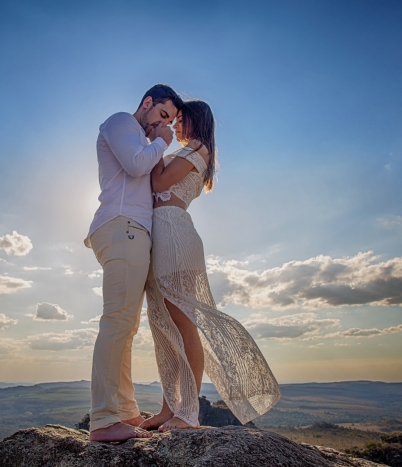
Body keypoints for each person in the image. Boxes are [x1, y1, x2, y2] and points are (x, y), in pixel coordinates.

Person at [139, 100, 281, 432]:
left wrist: (157, 144)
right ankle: (167, 408)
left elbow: (158, 184)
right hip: (161, 234)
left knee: (183, 325)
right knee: (164, 329)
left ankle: (188, 413)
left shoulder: (198, 148)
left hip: (174, 233)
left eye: (179, 119)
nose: (174, 125)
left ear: (195, 120)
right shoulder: (190, 150)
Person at [84, 84, 184, 442]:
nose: (163, 125)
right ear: (147, 103)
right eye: (161, 115)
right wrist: (163, 141)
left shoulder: (140, 135)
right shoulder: (122, 121)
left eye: (169, 121)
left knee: (126, 326)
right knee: (118, 322)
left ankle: (123, 411)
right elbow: (136, 164)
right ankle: (105, 419)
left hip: (130, 230)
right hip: (122, 226)